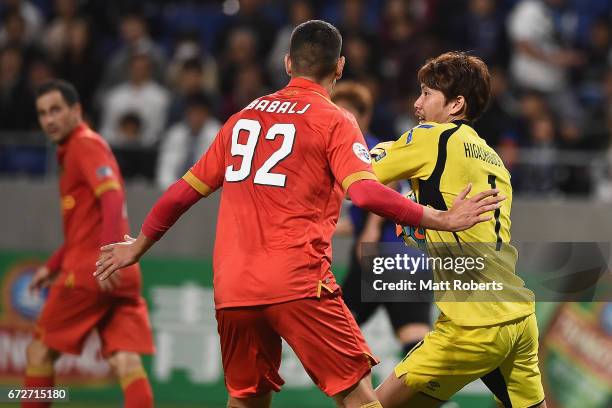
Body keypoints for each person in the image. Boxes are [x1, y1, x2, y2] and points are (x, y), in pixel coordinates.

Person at [94, 21, 502, 408]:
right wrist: (439, 218)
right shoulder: (335, 120)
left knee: (246, 399)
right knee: (359, 398)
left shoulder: (240, 120)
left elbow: (181, 193)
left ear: (288, 64)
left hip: (234, 289)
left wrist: (138, 245)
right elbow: (362, 193)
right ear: (339, 67)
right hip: (299, 283)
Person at [371, 52, 545, 408]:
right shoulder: (492, 158)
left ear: (456, 104)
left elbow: (359, 178)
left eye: (426, 94)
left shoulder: (432, 138)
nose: (417, 104)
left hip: (473, 326)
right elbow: (464, 235)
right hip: (518, 320)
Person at [25, 80, 154, 408]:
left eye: (56, 110)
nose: (49, 119)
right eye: (42, 113)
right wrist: (51, 266)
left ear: (76, 111)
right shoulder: (74, 150)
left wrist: (108, 252)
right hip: (121, 270)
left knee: (39, 351)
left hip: (93, 271)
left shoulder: (84, 144)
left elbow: (111, 195)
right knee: (125, 361)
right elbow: (82, 228)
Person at [332, 81, 431, 357]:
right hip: (406, 258)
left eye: (347, 114)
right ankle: (429, 395)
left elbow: (387, 187)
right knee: (413, 336)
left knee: (336, 330)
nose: (339, 121)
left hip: (381, 256)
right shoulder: (350, 148)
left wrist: (372, 230)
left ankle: (361, 397)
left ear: (364, 118)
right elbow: (358, 217)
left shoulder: (366, 148)